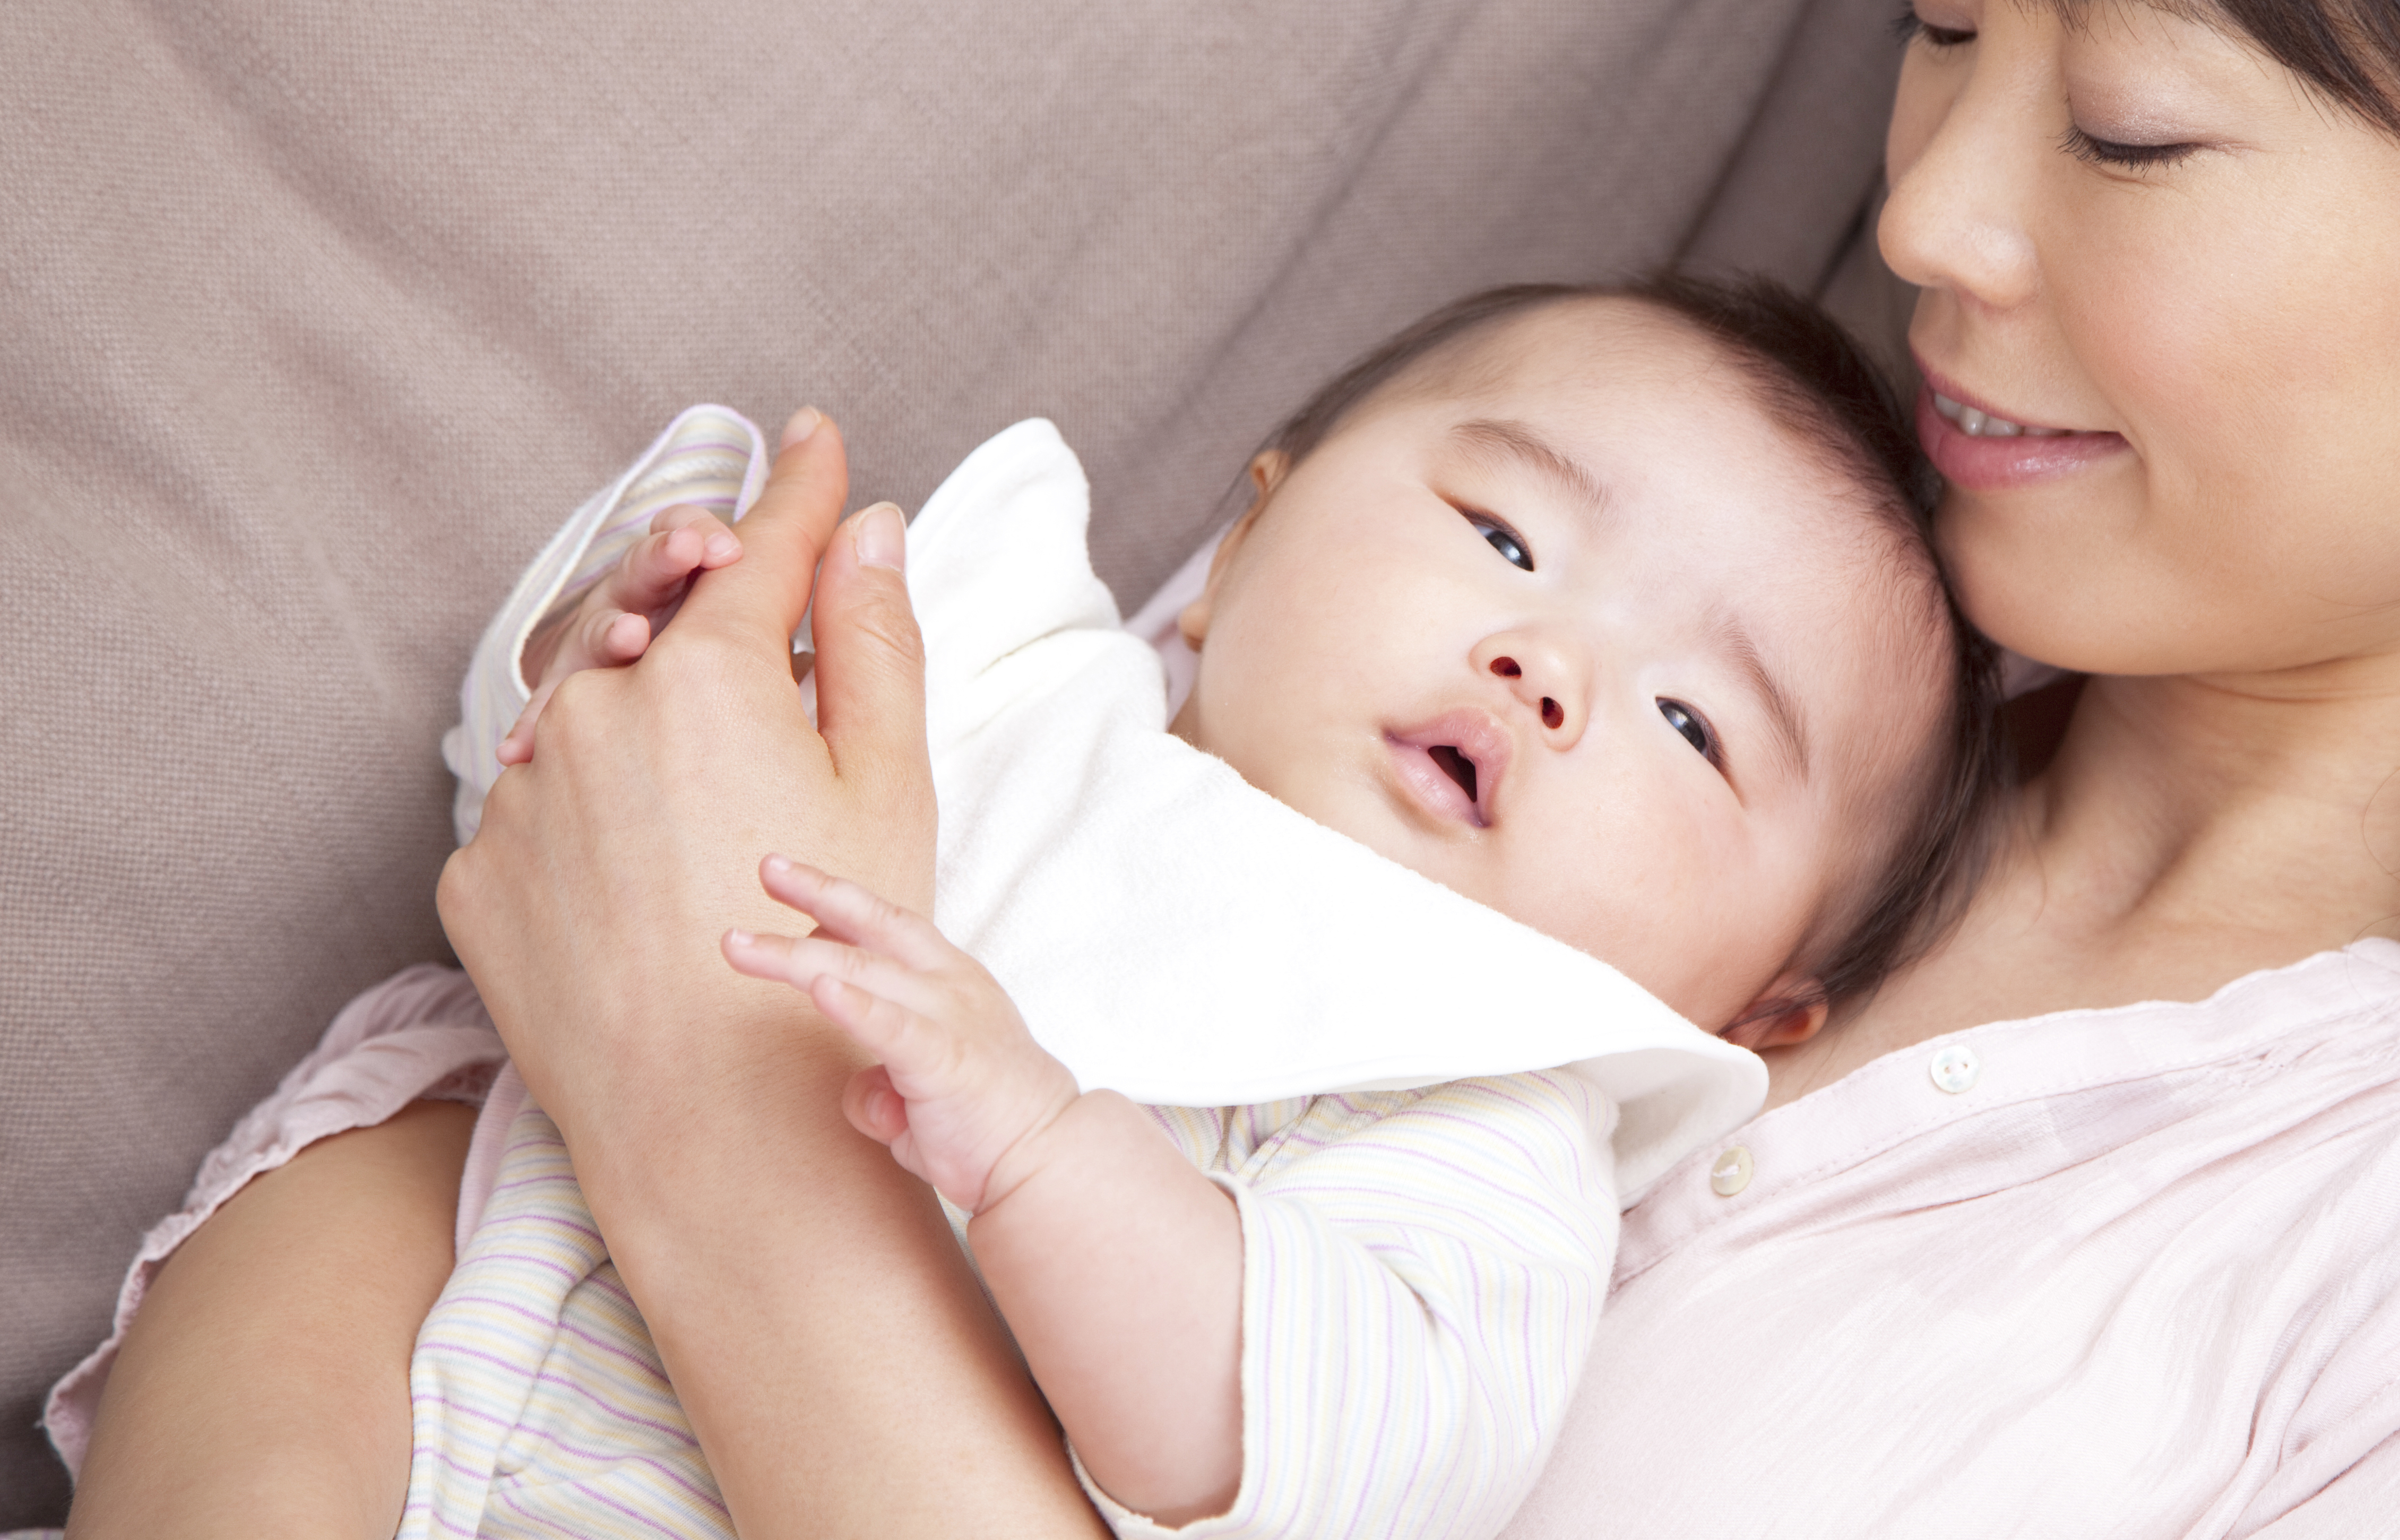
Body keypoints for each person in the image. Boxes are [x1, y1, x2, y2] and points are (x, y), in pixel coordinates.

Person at [64, 0, 2400, 1533]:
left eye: (2130, 123)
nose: (1940, 223)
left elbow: (677, 1055)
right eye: (1942, 22)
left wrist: (730, 1163)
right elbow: (475, 1093)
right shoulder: (1582, 575)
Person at [58, 279, 1993, 1539]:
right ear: (1240, 546)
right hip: (442, 1297)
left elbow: (1308, 1440)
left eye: (1691, 721)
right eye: (1503, 534)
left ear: (1758, 1009)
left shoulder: (1491, 1120)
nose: (1548, 662)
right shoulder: (1020, 683)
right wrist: (622, 635)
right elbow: (571, 822)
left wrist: (1054, 1154)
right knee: (295, 1313)